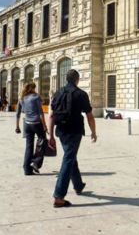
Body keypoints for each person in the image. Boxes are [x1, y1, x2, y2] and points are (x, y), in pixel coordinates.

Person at [48, 69, 97, 208]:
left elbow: (51, 115)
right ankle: (59, 196)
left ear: (66, 79)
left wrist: (51, 135)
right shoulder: (81, 94)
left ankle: (78, 185)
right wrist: (93, 132)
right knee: (69, 158)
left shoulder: (58, 93)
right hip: (74, 132)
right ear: (77, 79)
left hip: (61, 132)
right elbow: (89, 115)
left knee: (70, 155)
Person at [16, 83, 47, 175]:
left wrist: (17, 126)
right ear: (32, 88)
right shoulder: (36, 97)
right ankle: (36, 162)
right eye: (34, 87)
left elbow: (17, 114)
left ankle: (27, 169)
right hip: (37, 123)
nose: (35, 89)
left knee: (29, 146)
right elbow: (41, 113)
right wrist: (44, 126)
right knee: (43, 141)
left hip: (27, 124)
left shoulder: (21, 98)